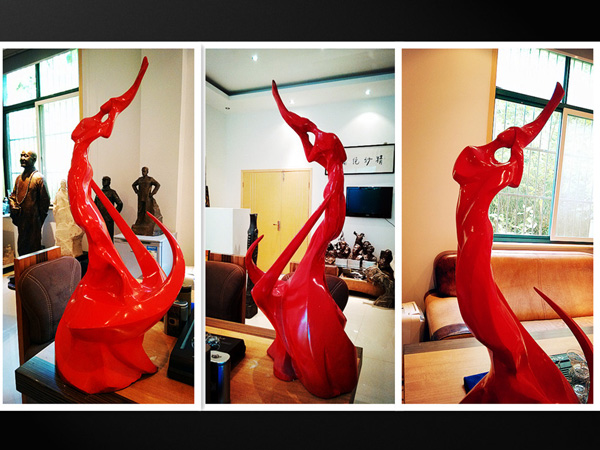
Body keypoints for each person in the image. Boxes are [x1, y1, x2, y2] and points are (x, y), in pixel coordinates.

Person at [8, 151, 51, 256]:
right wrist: (13, 204)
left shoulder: (39, 178)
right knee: (22, 248)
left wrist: (38, 219)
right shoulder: (18, 178)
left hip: (33, 221)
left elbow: (45, 201)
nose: (22, 158)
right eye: (21, 155)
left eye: (26, 156)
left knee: (33, 249)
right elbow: (13, 196)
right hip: (21, 220)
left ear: (34, 160)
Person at [131, 166, 162, 235]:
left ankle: (147, 223)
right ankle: (139, 223)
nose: (143, 172)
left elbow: (157, 185)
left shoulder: (150, 179)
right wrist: (137, 191)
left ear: (147, 172)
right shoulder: (140, 179)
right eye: (142, 171)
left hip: (147, 197)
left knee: (147, 210)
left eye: (144, 171)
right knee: (140, 210)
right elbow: (133, 185)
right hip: (140, 197)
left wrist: (152, 193)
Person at [94, 176, 123, 240]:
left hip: (108, 219)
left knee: (109, 237)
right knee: (100, 237)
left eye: (106, 180)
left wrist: (113, 215)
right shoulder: (99, 192)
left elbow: (120, 203)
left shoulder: (112, 192)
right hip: (100, 218)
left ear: (109, 182)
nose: (104, 182)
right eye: (103, 180)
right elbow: (94, 205)